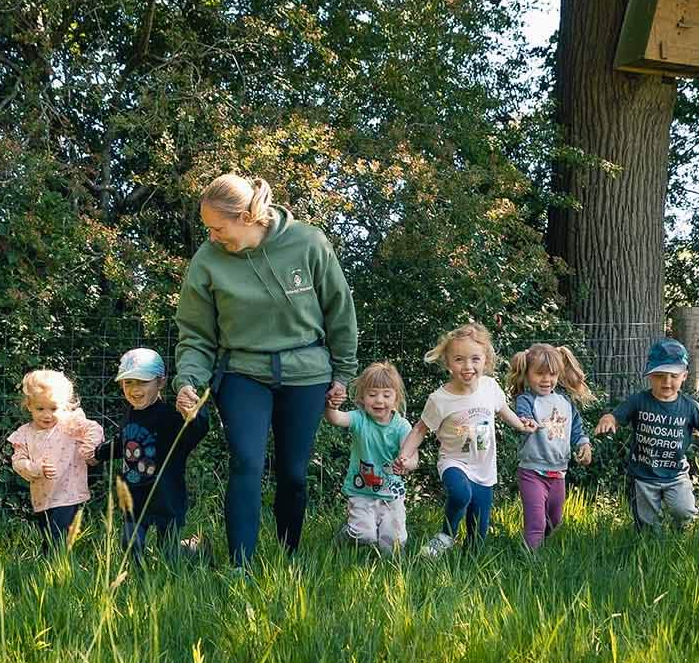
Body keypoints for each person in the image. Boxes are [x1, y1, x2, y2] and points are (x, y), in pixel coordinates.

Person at [172, 173, 357, 567]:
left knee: (293, 472)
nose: (212, 236)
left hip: (305, 373)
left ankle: (290, 555)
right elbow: (195, 334)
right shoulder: (208, 260)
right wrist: (189, 381)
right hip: (242, 371)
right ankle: (241, 565)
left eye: (218, 227)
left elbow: (339, 311)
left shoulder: (308, 242)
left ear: (246, 217)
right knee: (246, 462)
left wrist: (343, 373)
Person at [395, 322, 538, 557]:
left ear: (485, 360)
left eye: (475, 359)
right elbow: (420, 429)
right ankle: (445, 536)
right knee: (461, 494)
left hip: (484, 469)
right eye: (459, 359)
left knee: (477, 537)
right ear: (448, 362)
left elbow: (503, 410)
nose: (468, 366)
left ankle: (467, 565)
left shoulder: (490, 387)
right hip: (454, 462)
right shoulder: (440, 399)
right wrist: (405, 454)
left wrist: (522, 424)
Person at [594, 338, 699, 531]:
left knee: (684, 511)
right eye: (660, 376)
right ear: (649, 375)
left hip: (676, 475)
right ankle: (649, 550)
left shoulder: (690, 407)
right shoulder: (639, 401)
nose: (666, 382)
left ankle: (678, 539)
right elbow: (615, 416)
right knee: (647, 525)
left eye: (673, 376)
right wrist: (607, 420)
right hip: (643, 476)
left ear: (684, 376)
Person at [93, 348, 210, 564]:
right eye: (128, 383)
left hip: (166, 496)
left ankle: (197, 548)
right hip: (134, 494)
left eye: (142, 382)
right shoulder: (129, 413)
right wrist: (98, 453)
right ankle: (135, 582)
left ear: (161, 382)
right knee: (130, 545)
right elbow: (123, 443)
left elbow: (194, 433)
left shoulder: (169, 416)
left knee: (170, 554)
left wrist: (194, 416)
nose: (134, 389)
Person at [505, 343, 596, 550]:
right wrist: (525, 422)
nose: (546, 380)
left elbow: (577, 430)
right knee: (536, 521)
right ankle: (531, 560)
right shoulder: (526, 399)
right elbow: (522, 416)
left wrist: (584, 445)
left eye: (552, 374)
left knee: (554, 520)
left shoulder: (564, 402)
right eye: (539, 374)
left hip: (558, 473)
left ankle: (542, 548)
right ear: (527, 374)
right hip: (532, 471)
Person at [323, 361, 413, 555]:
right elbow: (336, 419)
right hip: (362, 490)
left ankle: (390, 568)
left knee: (393, 546)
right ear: (363, 398)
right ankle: (347, 533)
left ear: (396, 398)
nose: (379, 400)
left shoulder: (402, 427)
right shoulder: (359, 419)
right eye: (372, 395)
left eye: (386, 395)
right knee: (364, 535)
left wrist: (407, 463)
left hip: (391, 494)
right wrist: (331, 407)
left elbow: (413, 457)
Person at [6, 369, 103, 548]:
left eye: (54, 408)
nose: (47, 415)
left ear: (64, 406)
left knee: (58, 539)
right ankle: (51, 569)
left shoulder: (69, 423)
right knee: (48, 536)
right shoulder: (25, 433)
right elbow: (18, 462)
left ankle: (56, 568)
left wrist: (88, 449)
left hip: (68, 493)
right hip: (42, 497)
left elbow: (94, 429)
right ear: (29, 405)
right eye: (40, 408)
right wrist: (36, 468)